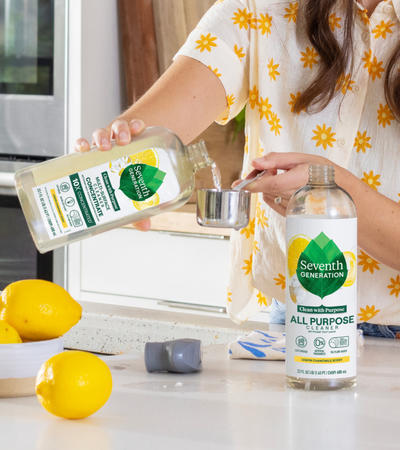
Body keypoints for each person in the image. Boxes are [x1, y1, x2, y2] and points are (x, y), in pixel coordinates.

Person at [76, 0, 400, 338]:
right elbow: (153, 130)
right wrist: (118, 160)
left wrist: (333, 197)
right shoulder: (263, 7)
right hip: (297, 320)